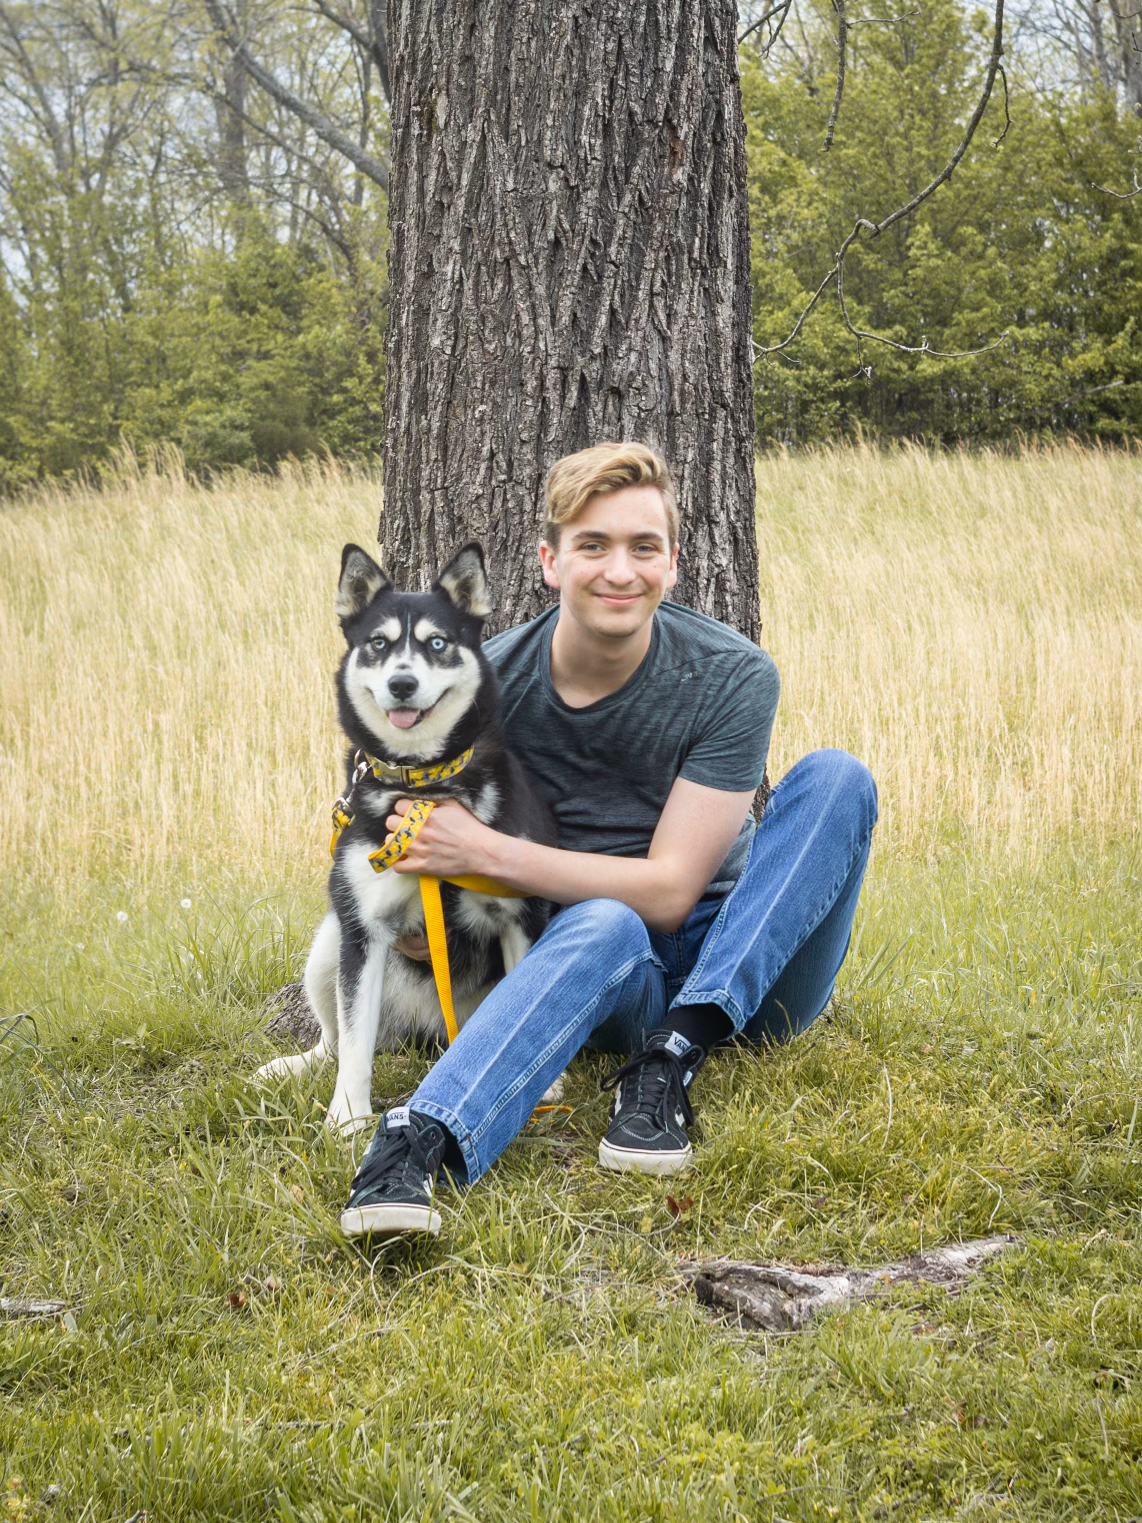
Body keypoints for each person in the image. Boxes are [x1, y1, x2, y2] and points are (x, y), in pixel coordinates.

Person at [340, 442, 878, 1238]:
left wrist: (483, 855)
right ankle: (418, 1138)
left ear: (673, 563)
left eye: (642, 547)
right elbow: (405, 822)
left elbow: (670, 893)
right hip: (603, 968)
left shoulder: (734, 675)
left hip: (752, 961)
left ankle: (674, 1054)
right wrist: (422, 907)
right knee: (601, 920)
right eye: (592, 545)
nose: (618, 570)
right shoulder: (478, 683)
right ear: (550, 560)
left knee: (838, 778)